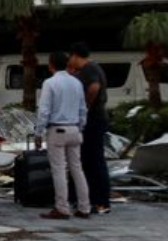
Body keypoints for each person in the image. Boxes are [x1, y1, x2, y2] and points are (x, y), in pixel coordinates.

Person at [35, 52, 91, 220]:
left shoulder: (50, 83)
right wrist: (80, 126)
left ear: (51, 65)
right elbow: (83, 108)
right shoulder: (76, 82)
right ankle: (84, 206)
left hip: (57, 130)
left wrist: (39, 132)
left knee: (59, 170)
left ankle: (62, 207)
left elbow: (44, 110)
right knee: (77, 168)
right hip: (74, 129)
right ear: (67, 65)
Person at [70, 42, 112, 214]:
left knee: (95, 160)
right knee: (87, 160)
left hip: (94, 119)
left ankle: (102, 200)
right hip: (94, 119)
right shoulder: (90, 69)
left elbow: (94, 87)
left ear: (75, 55)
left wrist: (85, 106)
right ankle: (92, 199)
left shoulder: (89, 69)